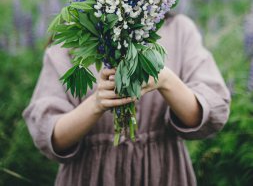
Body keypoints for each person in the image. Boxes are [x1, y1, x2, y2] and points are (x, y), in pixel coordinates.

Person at [22, 13, 230, 186]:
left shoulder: (179, 29)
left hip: (162, 173)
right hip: (89, 175)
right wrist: (96, 104)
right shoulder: (73, 34)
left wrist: (165, 79)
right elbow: (51, 136)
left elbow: (206, 115)